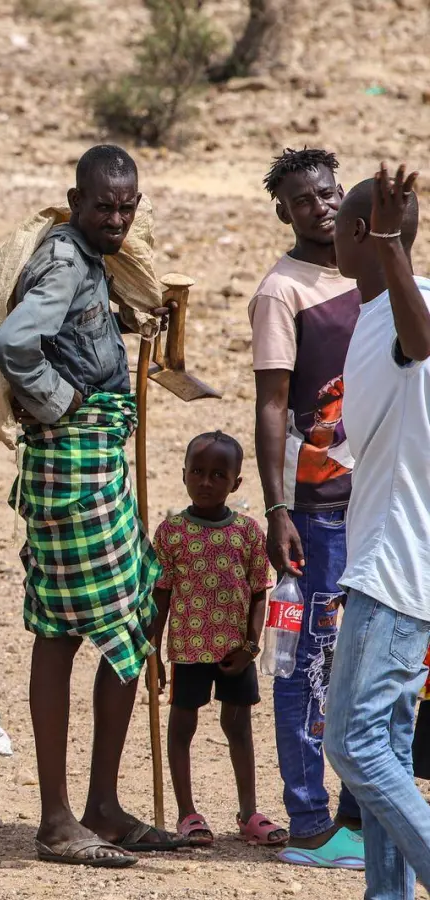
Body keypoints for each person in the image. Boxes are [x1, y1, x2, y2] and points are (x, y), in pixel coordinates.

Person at [0, 145, 180, 867]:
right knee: (64, 630)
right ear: (75, 199)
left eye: (128, 206)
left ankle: (100, 805)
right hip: (72, 465)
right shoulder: (66, 258)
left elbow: (71, 335)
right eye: (105, 206)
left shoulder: (87, 259)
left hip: (93, 464)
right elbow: (13, 343)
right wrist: (63, 402)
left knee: (126, 615)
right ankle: (58, 819)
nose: (118, 219)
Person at [246, 147, 366, 868]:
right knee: (306, 663)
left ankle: (358, 811)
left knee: (366, 660)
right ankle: (309, 821)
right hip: (314, 509)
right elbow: (269, 404)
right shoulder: (281, 292)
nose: (320, 207)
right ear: (283, 211)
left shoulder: (369, 275)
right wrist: (276, 507)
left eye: (327, 193)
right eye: (303, 200)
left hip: (374, 502)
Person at [324, 163, 430, 900]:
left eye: (339, 223)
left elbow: (420, 344)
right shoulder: (368, 317)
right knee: (386, 743)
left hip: (393, 572)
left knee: (352, 741)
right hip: (385, 563)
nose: (328, 232)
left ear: (363, 231)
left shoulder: (407, 308)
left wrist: (395, 245)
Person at [152, 432, 286, 848]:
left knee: (238, 726)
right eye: (197, 472)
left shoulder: (248, 533)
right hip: (189, 651)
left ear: (236, 483)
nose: (206, 482)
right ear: (183, 474)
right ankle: (187, 813)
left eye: (218, 475)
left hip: (236, 653)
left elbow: (259, 591)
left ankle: (249, 813)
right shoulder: (171, 533)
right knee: (182, 725)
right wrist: (152, 652)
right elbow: (161, 594)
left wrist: (250, 646)